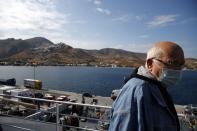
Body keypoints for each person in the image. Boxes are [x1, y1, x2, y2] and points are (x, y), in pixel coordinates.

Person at [109, 41, 185, 131]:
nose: (178, 69)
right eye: (173, 63)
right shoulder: (137, 90)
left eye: (181, 64)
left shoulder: (157, 86)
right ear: (150, 64)